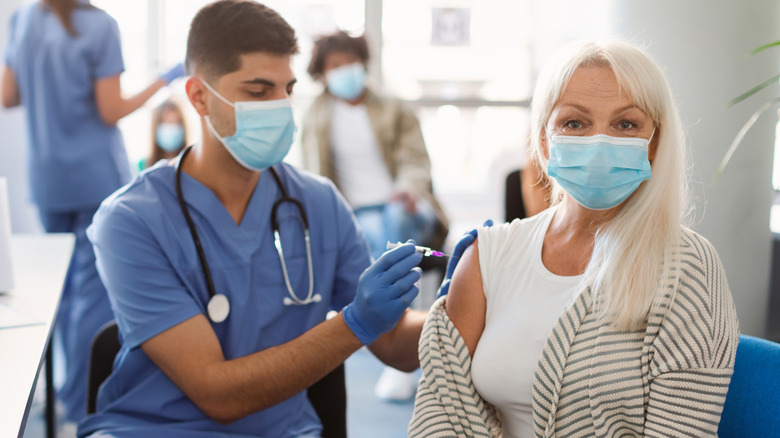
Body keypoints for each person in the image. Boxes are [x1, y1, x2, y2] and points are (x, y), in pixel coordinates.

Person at [77, 2, 427, 436]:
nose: (280, 106)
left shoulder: (318, 204)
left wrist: (462, 300)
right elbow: (217, 394)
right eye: (258, 92)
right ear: (199, 96)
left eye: (288, 89)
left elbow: (395, 344)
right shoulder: (130, 220)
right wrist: (354, 324)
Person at [409, 39, 740, 437]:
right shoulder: (489, 253)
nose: (599, 142)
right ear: (545, 141)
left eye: (626, 124)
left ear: (653, 143)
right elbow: (442, 409)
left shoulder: (687, 267)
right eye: (575, 123)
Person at [1, 0, 184, 423]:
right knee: (92, 299)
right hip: (94, 177)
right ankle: (77, 404)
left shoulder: (25, 20)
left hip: (47, 179)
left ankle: (59, 395)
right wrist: (165, 78)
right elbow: (110, 110)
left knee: (59, 297)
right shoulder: (100, 25)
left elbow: (7, 96)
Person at [301, 30, 449, 402]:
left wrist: (409, 190)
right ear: (322, 73)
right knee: (368, 233)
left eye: (351, 62)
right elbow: (314, 177)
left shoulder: (393, 108)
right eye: (335, 66)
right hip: (358, 212)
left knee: (395, 225)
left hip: (406, 204)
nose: (346, 70)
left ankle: (402, 342)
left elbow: (417, 161)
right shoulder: (315, 116)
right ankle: (407, 341)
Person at [138, 98, 189, 171]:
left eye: (175, 122)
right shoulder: (142, 165)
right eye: (166, 123)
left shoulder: (191, 163)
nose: (171, 129)